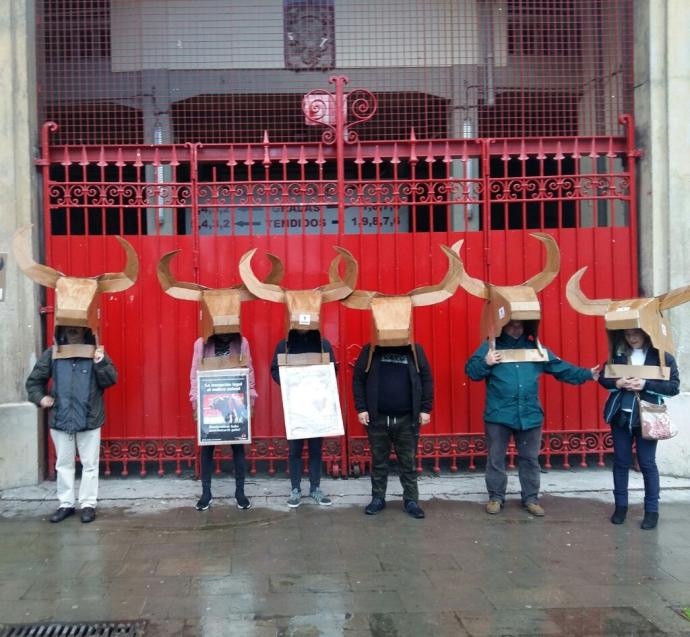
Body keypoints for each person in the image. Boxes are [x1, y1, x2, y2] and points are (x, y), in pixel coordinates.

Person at [465, 319, 599, 516]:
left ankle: (531, 499)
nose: (515, 329)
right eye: (511, 325)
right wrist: (486, 362)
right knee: (496, 459)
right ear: (503, 326)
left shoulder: (536, 349)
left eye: (520, 325)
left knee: (529, 459)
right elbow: (471, 371)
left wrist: (588, 374)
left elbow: (560, 368)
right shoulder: (491, 346)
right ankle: (495, 498)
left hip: (529, 415)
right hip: (498, 414)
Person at [26, 326, 117, 523]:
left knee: (90, 465)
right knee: (64, 464)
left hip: (89, 418)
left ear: (85, 331)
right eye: (70, 330)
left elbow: (110, 380)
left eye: (77, 329)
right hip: (61, 418)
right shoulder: (52, 354)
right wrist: (41, 398)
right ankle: (66, 503)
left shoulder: (95, 353)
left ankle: (88, 504)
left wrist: (101, 362)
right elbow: (34, 382)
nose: (74, 333)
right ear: (63, 331)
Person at [598, 328, 679, 530]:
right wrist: (617, 382)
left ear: (646, 333)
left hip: (648, 417)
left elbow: (673, 387)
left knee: (647, 463)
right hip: (620, 417)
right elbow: (602, 377)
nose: (632, 338)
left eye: (636, 333)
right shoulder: (617, 356)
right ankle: (620, 507)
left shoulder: (662, 357)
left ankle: (652, 511)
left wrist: (645, 384)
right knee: (621, 461)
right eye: (627, 334)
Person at [353, 343, 432, 519]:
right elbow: (358, 378)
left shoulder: (414, 349)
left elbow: (426, 378)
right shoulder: (371, 349)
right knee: (379, 462)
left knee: (408, 463)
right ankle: (378, 499)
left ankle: (411, 501)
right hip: (378, 417)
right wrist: (361, 408)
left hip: (407, 419)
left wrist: (426, 409)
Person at [190, 332, 256, 511]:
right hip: (211, 402)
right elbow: (195, 375)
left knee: (238, 446)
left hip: (234, 399)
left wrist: (250, 401)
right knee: (207, 448)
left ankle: (240, 493)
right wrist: (196, 404)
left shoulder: (242, 342)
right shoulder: (201, 344)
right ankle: (206, 493)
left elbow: (248, 371)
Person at [271, 329, 336, 508]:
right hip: (295, 405)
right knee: (295, 450)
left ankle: (315, 488)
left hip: (316, 405)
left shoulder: (323, 344)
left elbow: (333, 369)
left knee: (316, 449)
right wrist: (289, 383)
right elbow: (274, 370)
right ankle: (295, 490)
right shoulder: (284, 345)